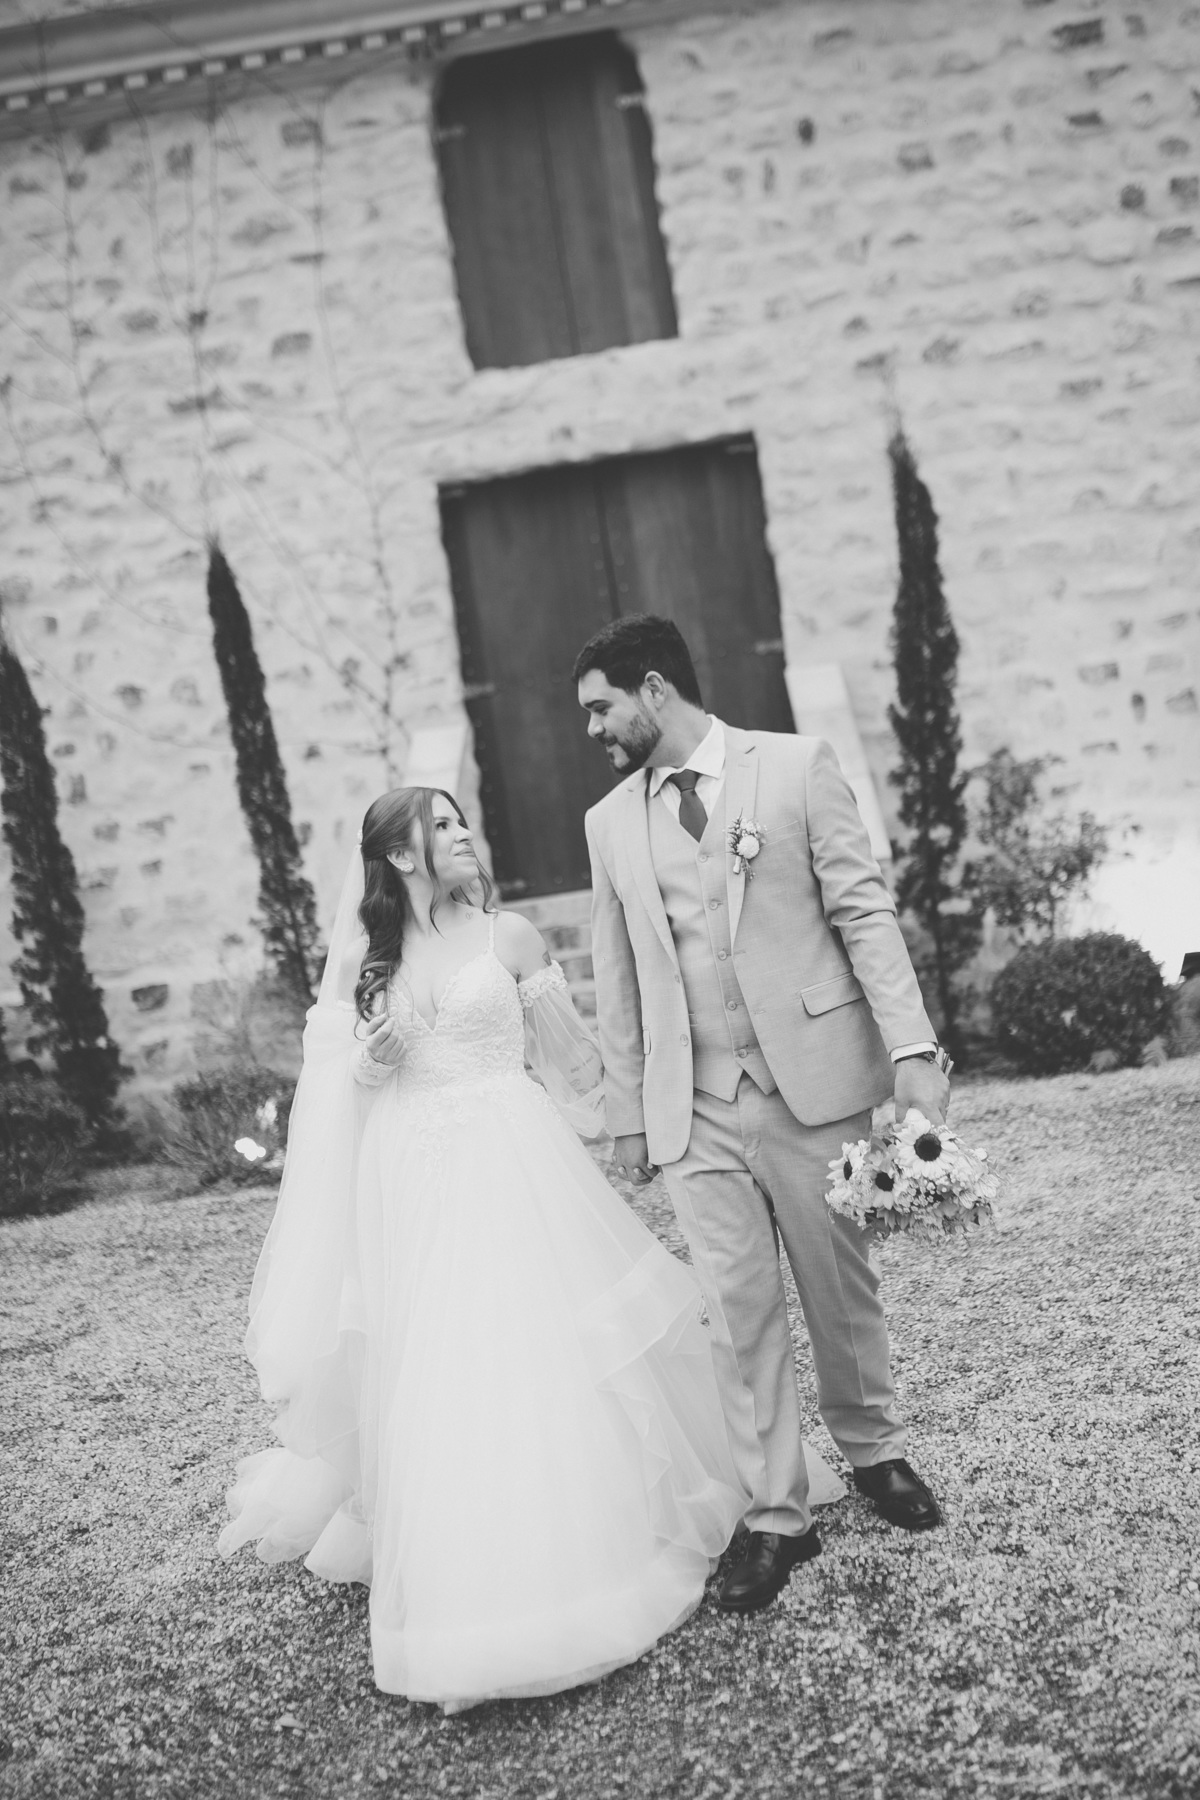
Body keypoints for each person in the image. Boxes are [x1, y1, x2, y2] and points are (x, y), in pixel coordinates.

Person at [219, 786, 845, 1711]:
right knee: (440, 1356)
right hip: (411, 1175)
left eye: (461, 819)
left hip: (514, 1160)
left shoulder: (506, 936)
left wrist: (637, 1129)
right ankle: (466, 1553)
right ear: (401, 856)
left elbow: (576, 1059)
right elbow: (335, 1091)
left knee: (537, 1335)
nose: (462, 833)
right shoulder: (365, 959)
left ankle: (587, 1533)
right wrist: (370, 1061)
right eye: (441, 825)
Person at [576, 615, 951, 1616]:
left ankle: (873, 1451)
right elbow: (617, 978)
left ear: (655, 690)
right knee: (735, 1311)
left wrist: (912, 1049)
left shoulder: (794, 768)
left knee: (839, 1284)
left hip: (812, 1083)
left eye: (601, 707)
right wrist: (625, 1111)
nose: (593, 729)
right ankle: (778, 1511)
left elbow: (864, 913)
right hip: (692, 1106)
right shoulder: (608, 824)